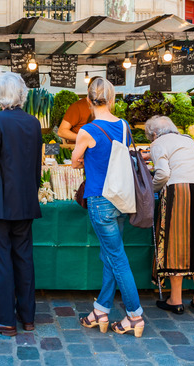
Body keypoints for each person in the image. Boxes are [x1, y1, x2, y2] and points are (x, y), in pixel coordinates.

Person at [71, 77, 145, 337]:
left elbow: (74, 161)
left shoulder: (87, 130)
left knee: (116, 257)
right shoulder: (124, 126)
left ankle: (135, 315)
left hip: (100, 201)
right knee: (110, 255)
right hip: (121, 198)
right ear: (112, 99)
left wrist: (84, 161)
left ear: (89, 100)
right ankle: (100, 310)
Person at [0, 72, 42, 337]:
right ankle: (27, 317)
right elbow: (36, 166)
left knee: (1, 260)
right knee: (24, 258)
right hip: (25, 201)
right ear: (21, 94)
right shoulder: (33, 122)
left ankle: (4, 319)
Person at [144, 115, 194, 316]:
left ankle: (176, 299)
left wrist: (149, 190)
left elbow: (162, 173)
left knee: (176, 242)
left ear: (153, 134)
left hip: (178, 191)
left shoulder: (158, 143)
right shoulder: (188, 140)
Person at [56, 78, 100, 142]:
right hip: (79, 149)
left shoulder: (104, 107)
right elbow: (61, 132)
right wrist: (85, 139)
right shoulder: (77, 107)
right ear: (88, 90)